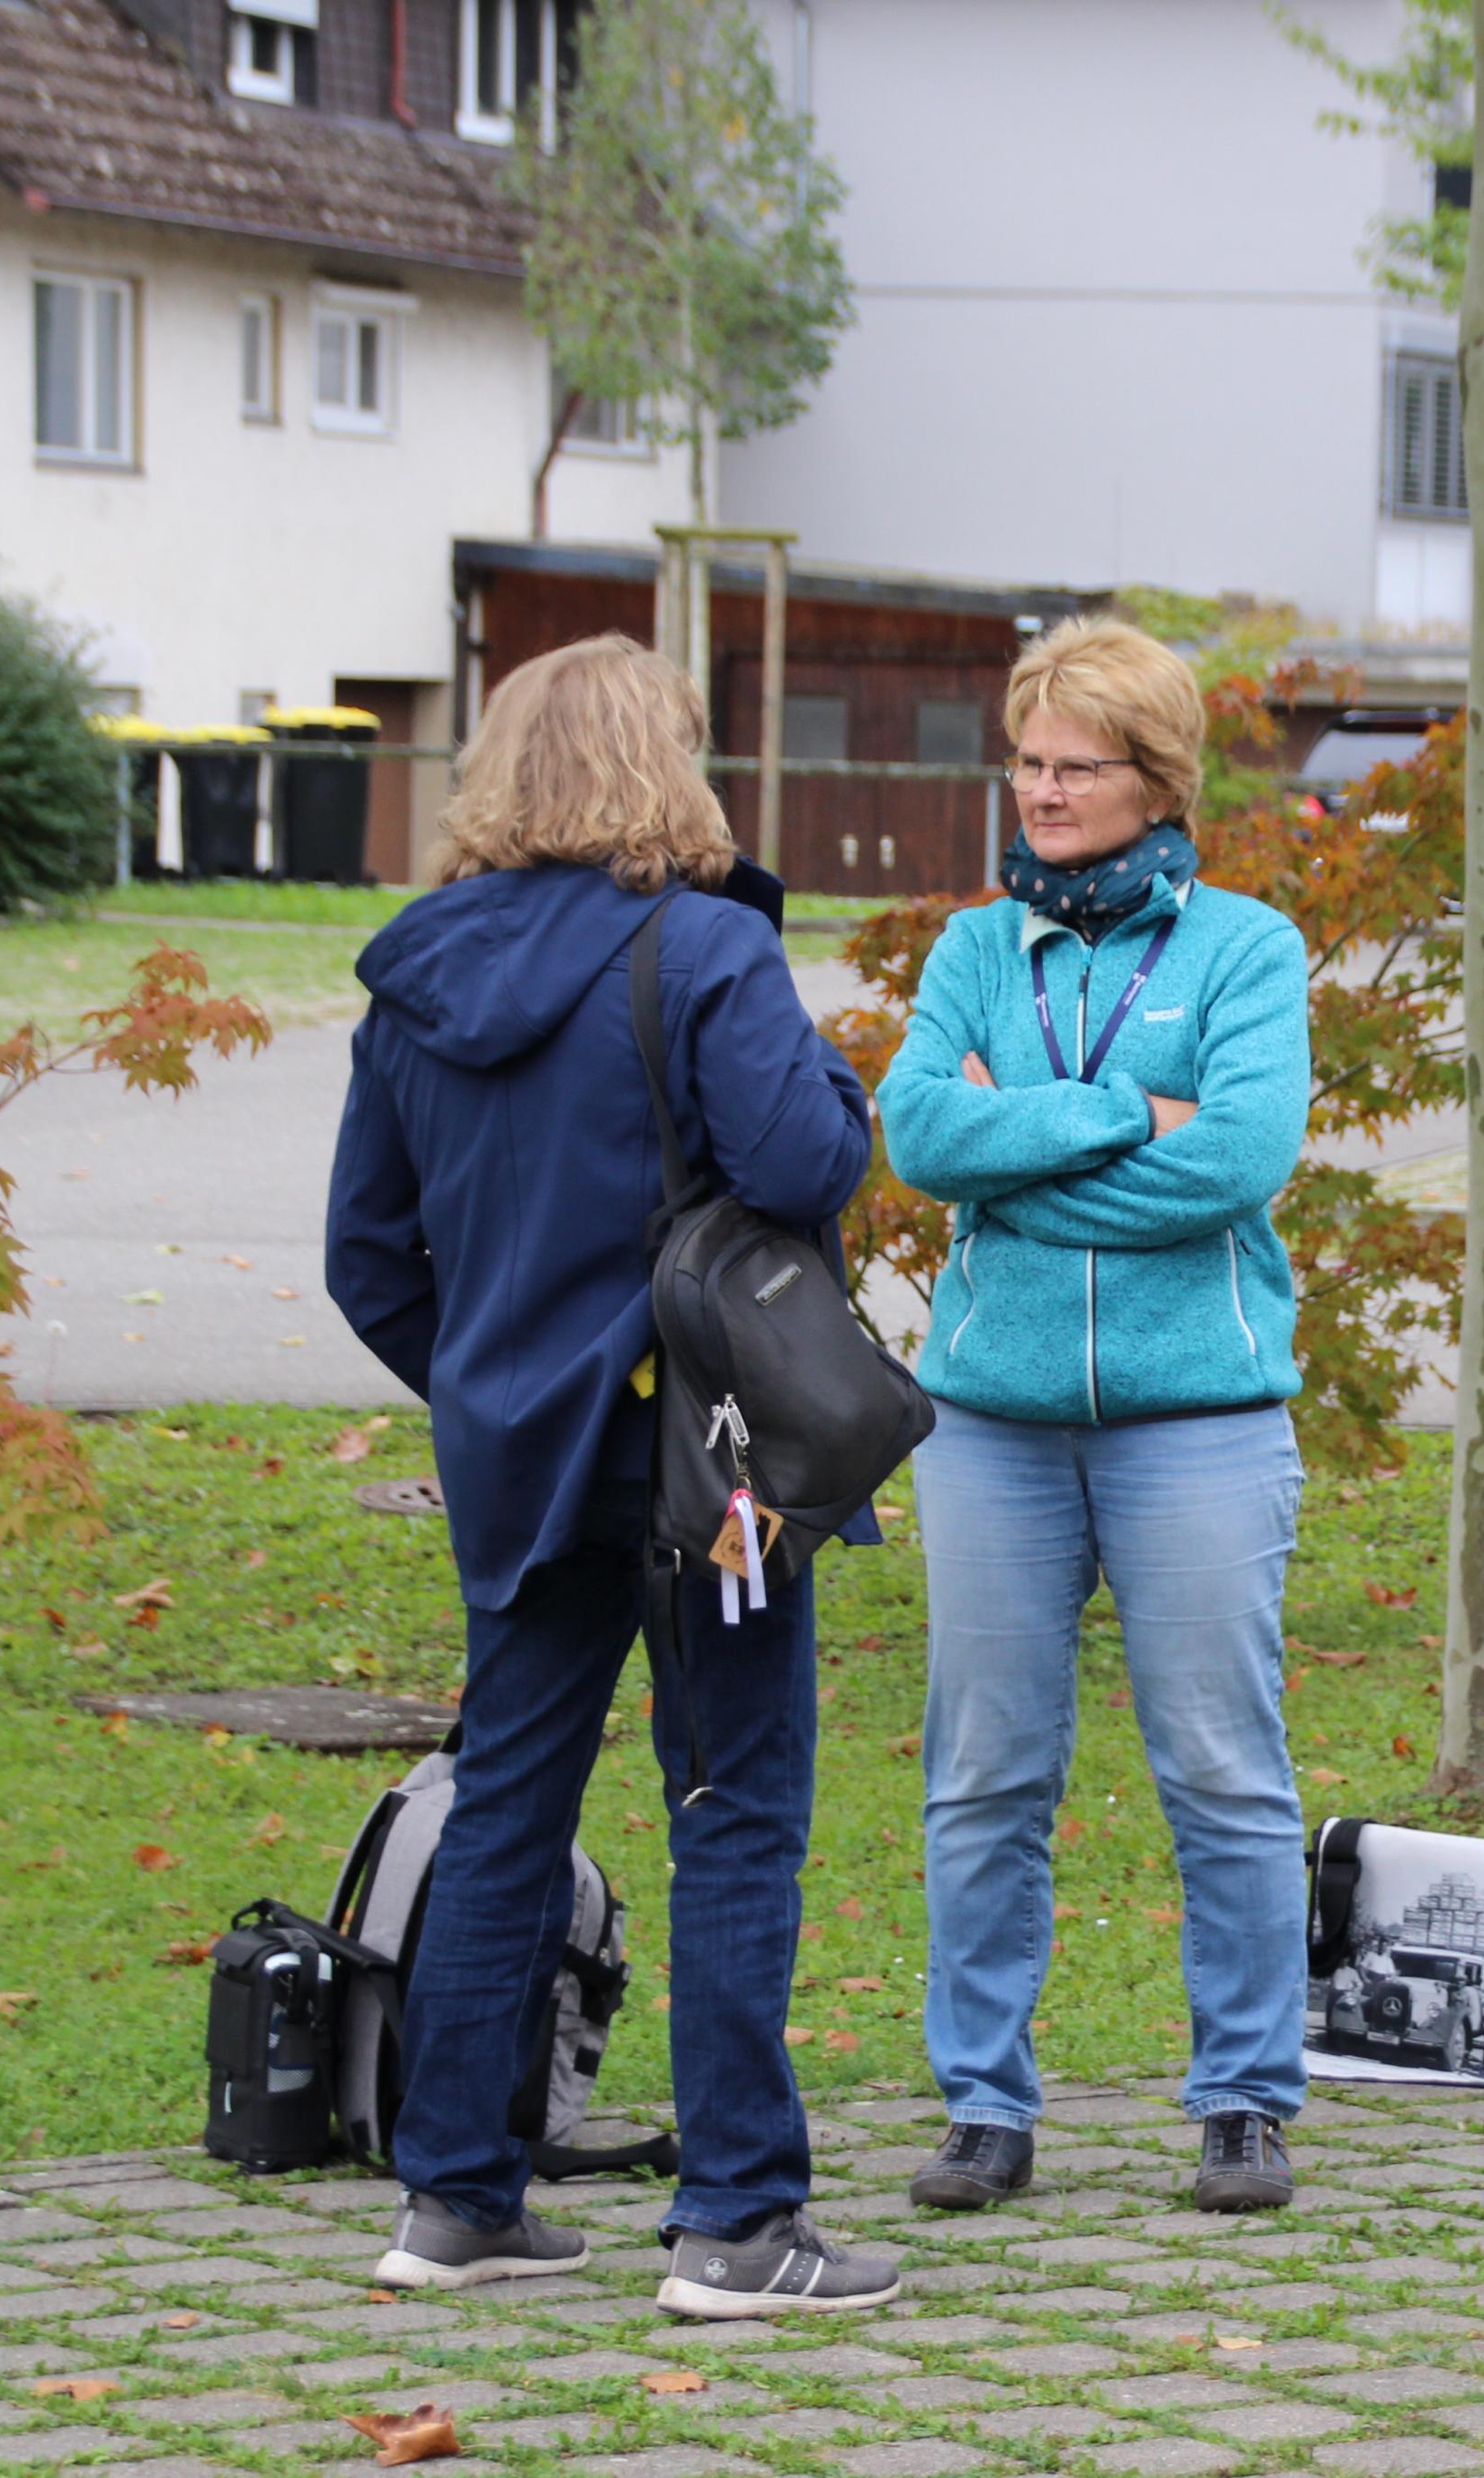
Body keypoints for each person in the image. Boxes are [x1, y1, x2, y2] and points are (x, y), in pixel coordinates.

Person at [325, 634, 899, 2318]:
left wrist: (491, 1387)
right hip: (704, 1461)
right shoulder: (707, 947)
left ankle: (455, 2197)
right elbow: (802, 1160)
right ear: (669, 763)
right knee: (732, 1804)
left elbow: (369, 1259)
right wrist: (841, 1077)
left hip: (523, 1461)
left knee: (507, 1803)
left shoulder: (414, 975)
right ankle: (740, 2223)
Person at [877, 616, 1314, 2216]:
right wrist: (1131, 1114)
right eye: (1028, 761)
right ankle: (984, 2105)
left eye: (1076, 765)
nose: (1042, 790)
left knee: (1222, 1769)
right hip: (990, 1423)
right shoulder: (974, 950)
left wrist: (1024, 1147)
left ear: (1158, 778)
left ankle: (1246, 2098)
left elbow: (1240, 1161)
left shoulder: (1246, 951)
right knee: (984, 1776)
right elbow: (919, 1133)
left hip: (1200, 1420)